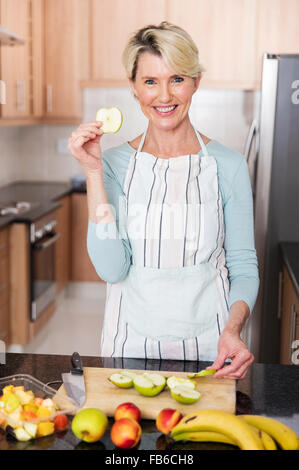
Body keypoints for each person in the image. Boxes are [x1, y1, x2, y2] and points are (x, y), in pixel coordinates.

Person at [68, 22, 259, 379]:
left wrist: (233, 331)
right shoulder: (112, 165)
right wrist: (93, 171)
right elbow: (111, 269)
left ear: (196, 82)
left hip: (212, 351)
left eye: (177, 79)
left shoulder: (228, 166)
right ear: (134, 88)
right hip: (129, 350)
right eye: (150, 82)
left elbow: (244, 267)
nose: (164, 96)